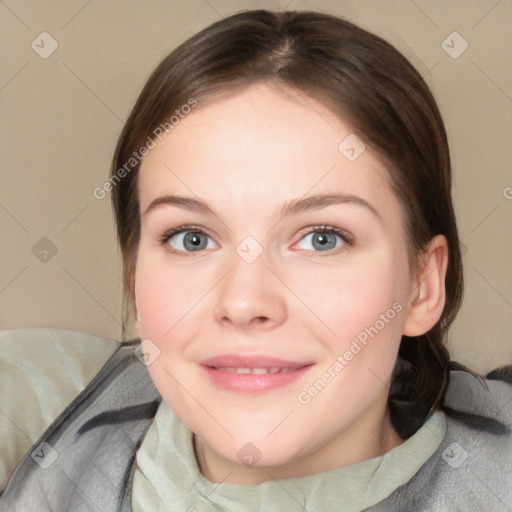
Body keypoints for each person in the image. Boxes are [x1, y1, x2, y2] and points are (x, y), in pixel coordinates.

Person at [1, 8, 510, 511]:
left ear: (422, 285)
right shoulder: (63, 432)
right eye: (192, 239)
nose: (244, 302)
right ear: (134, 276)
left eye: (322, 239)